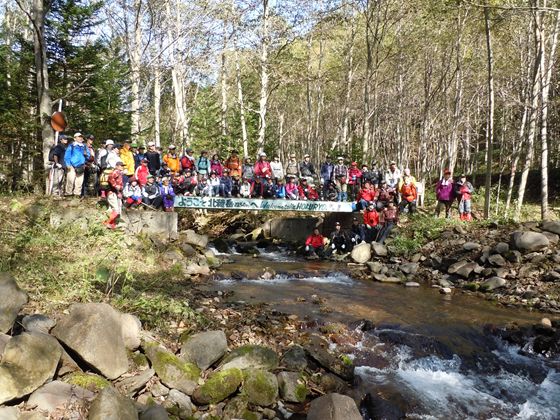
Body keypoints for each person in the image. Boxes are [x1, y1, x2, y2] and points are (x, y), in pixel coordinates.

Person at [64, 132, 89, 197]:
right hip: (71, 165)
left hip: (81, 166)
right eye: (79, 137)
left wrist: (85, 161)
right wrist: (68, 164)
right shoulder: (72, 146)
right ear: (75, 138)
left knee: (79, 181)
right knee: (70, 180)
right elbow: (67, 156)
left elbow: (88, 156)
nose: (81, 138)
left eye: (81, 137)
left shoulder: (84, 146)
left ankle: (77, 195)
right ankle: (68, 194)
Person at [103, 161, 124, 229]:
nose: (122, 167)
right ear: (117, 166)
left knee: (119, 208)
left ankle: (115, 224)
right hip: (112, 193)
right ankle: (107, 223)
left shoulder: (119, 173)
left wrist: (119, 191)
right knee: (115, 209)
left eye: (123, 166)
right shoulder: (115, 172)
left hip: (117, 193)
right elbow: (110, 178)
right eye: (121, 165)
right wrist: (116, 187)